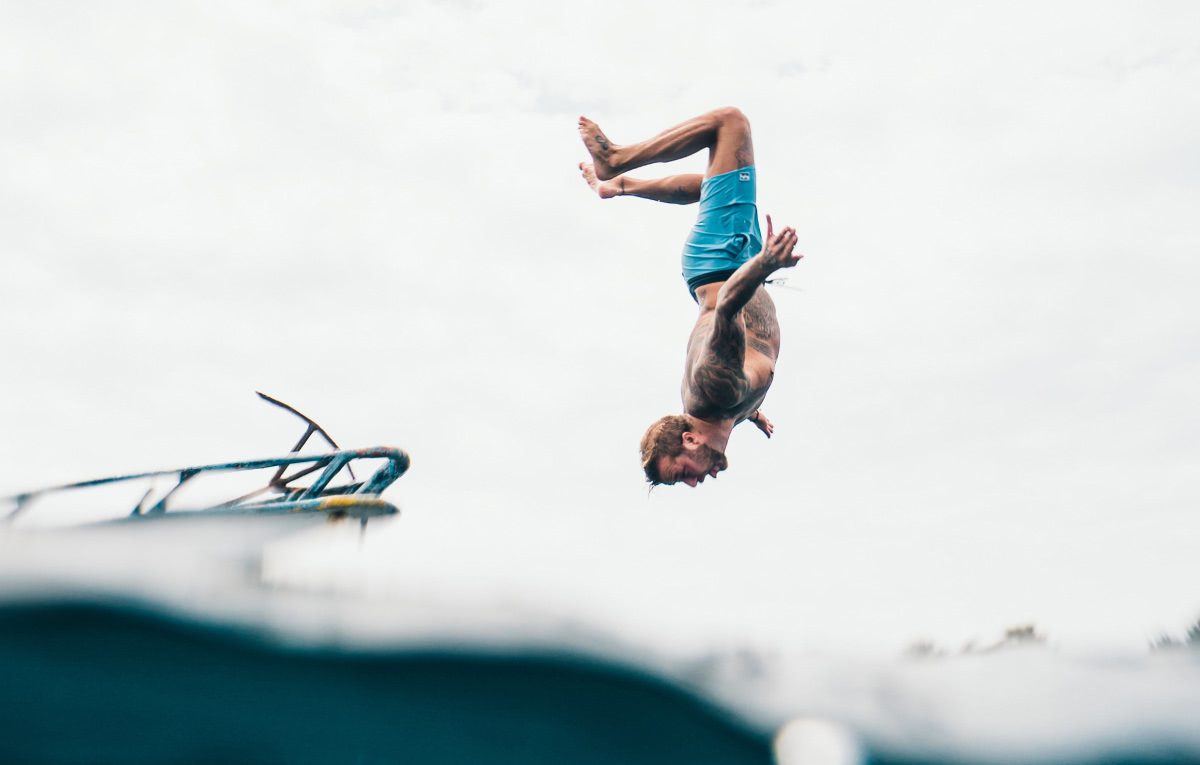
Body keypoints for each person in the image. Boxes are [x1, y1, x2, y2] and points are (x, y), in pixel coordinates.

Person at [577, 107, 802, 488]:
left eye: (683, 473)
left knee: (730, 124)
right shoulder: (723, 408)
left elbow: (730, 304)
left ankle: (615, 161)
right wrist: (753, 412)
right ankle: (618, 187)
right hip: (727, 261)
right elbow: (733, 374)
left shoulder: (716, 392)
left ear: (690, 439)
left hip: (726, 259)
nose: (696, 482)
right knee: (711, 186)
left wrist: (766, 264)